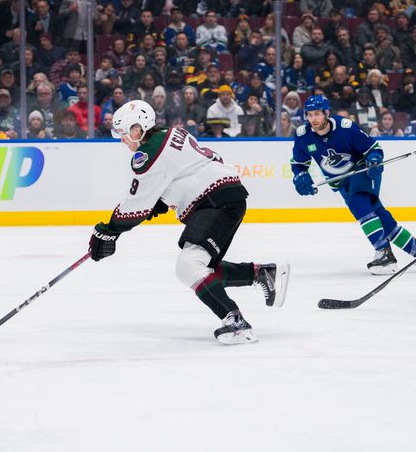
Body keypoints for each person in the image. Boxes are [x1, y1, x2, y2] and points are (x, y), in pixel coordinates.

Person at [88, 101, 289, 344]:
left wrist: (107, 231)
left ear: (139, 128)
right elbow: (182, 171)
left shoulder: (148, 153)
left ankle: (236, 322)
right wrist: (160, 201)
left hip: (215, 203)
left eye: (123, 133)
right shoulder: (170, 133)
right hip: (226, 197)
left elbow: (135, 205)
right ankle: (261, 273)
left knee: (189, 265)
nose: (121, 140)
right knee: (204, 269)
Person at [291, 94, 416, 274]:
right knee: (383, 220)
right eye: (309, 115)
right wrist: (299, 176)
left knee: (357, 202)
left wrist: (374, 160)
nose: (313, 119)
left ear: (326, 113)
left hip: (363, 171)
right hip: (341, 183)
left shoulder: (346, 128)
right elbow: (298, 164)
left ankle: (384, 253)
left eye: (317, 114)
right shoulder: (303, 136)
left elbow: (373, 149)